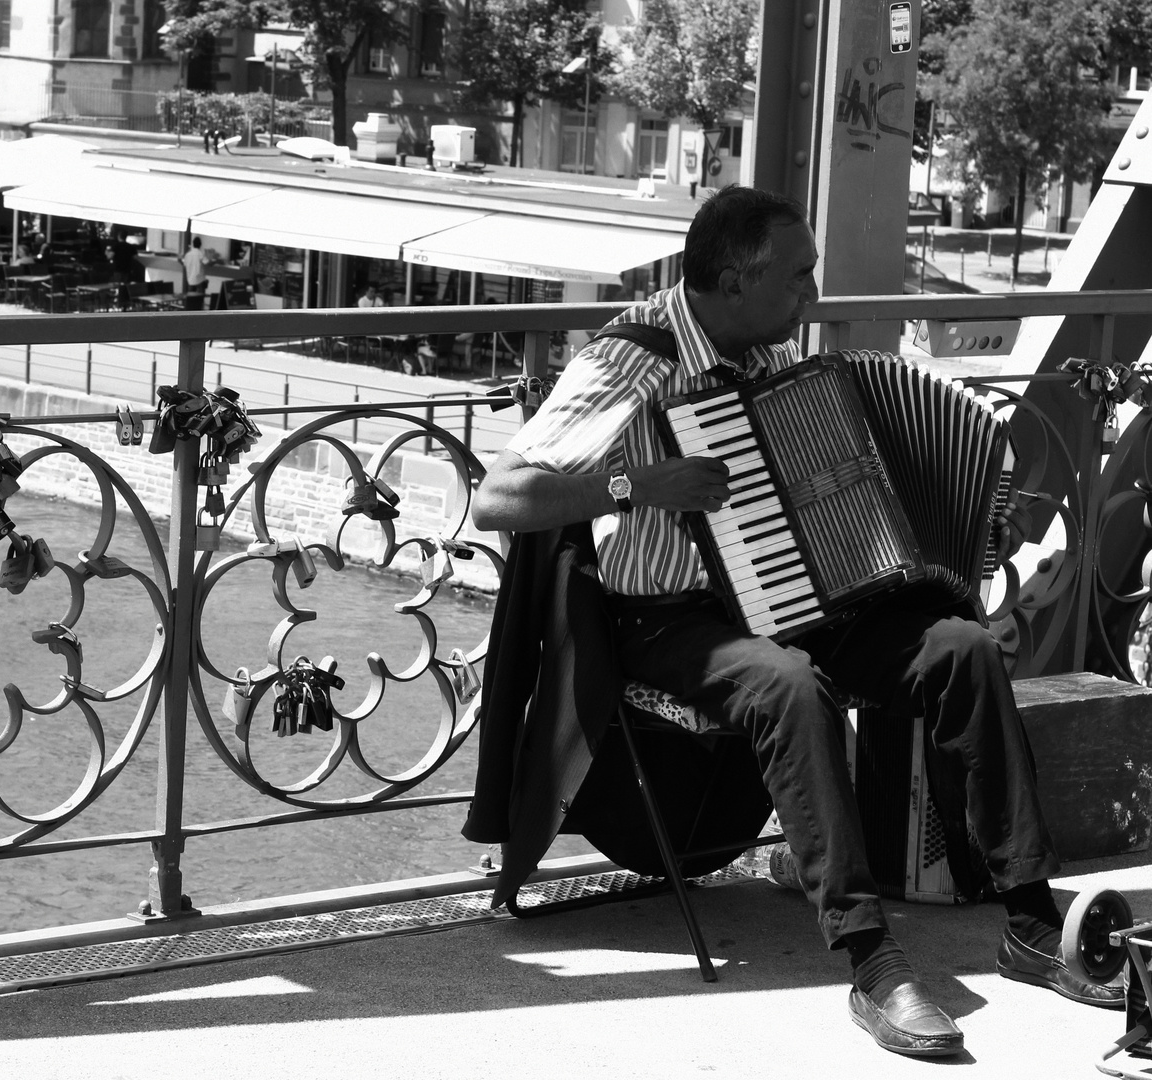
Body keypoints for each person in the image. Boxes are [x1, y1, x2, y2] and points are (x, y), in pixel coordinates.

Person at [468, 184, 1118, 1059]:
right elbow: (498, 499)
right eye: (798, 278)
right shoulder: (635, 360)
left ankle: (1032, 921)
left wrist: (953, 526)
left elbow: (846, 503)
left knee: (962, 648)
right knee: (789, 685)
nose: (813, 295)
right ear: (735, 281)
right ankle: (872, 960)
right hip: (670, 617)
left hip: (801, 597)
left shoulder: (776, 354)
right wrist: (637, 484)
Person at [180, 236, 209, 310]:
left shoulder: (187, 254)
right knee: (199, 302)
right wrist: (216, 261)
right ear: (200, 244)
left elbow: (184, 264)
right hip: (199, 281)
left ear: (193, 244)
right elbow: (207, 263)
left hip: (190, 280)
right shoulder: (200, 254)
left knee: (191, 302)